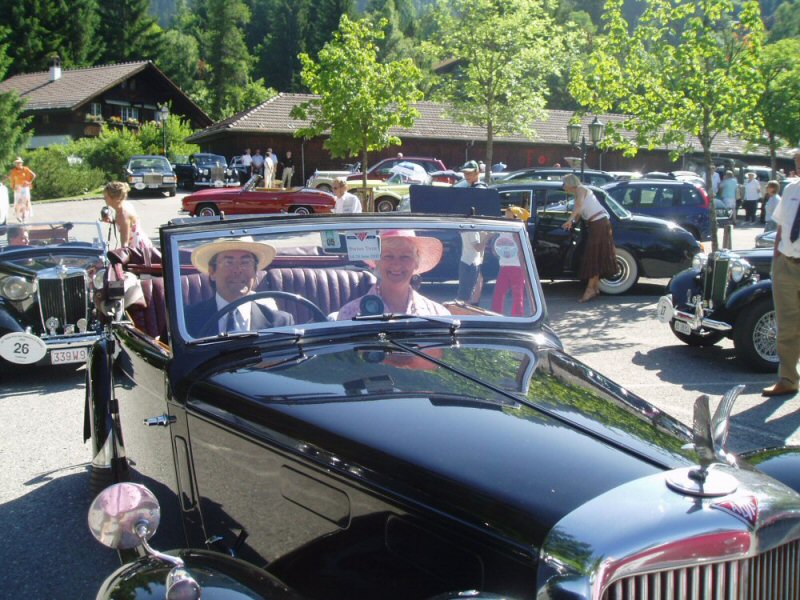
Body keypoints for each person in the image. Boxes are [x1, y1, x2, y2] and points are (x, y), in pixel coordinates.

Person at [186, 237, 294, 336]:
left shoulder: (280, 323)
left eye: (245, 262)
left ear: (255, 272)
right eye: (229, 262)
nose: (237, 270)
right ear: (212, 272)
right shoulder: (186, 320)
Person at [337, 230, 450, 319]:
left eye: (405, 257)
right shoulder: (349, 315)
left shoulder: (438, 315)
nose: (396, 264)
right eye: (388, 256)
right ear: (377, 261)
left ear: (416, 262)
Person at [761, 151, 800, 398]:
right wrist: (776, 258)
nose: (798, 165)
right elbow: (782, 227)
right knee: (786, 326)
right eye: (797, 161)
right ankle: (787, 379)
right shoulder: (791, 190)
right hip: (786, 263)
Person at [562, 173, 617, 302]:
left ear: (570, 183)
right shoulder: (578, 193)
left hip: (599, 223)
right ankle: (594, 287)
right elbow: (579, 213)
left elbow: (579, 206)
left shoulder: (581, 189)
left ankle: (590, 289)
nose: (563, 186)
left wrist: (569, 220)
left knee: (594, 255)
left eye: (564, 183)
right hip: (596, 223)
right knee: (596, 255)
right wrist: (571, 222)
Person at [491, 209, 528, 316]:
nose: (505, 218)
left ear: (516, 217)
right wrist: (496, 250)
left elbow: (521, 250)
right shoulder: (503, 229)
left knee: (517, 296)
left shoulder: (517, 231)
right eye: (505, 215)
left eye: (508, 216)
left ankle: (517, 317)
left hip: (516, 266)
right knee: (499, 294)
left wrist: (523, 266)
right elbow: (496, 246)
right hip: (504, 265)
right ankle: (496, 316)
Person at [103, 181, 152, 250]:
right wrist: (113, 221)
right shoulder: (125, 204)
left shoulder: (122, 215)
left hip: (137, 249)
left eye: (106, 197)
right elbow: (128, 225)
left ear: (115, 198)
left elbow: (125, 245)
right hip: (143, 243)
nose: (104, 199)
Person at [457, 230, 488, 303]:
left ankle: (463, 306)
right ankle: (467, 306)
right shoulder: (473, 232)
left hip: (465, 260)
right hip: (471, 263)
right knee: (469, 291)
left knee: (464, 290)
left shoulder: (464, 231)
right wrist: (487, 238)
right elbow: (478, 248)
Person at [5, 157, 36, 223]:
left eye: (19, 163)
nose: (17, 164)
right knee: (18, 202)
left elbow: (34, 175)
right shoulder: (14, 171)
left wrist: (29, 182)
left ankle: (24, 217)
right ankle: (18, 215)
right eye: (16, 163)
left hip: (25, 187)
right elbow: (10, 177)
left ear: (22, 163)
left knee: (25, 202)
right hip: (17, 188)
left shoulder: (26, 169)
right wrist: (4, 181)